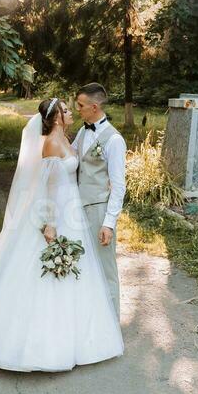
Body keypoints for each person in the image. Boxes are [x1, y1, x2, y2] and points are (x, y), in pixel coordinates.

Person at [0, 97, 124, 372]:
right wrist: (50, 222)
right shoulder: (50, 143)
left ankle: (82, 335)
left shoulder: (71, 138)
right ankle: (40, 342)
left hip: (73, 211)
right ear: (56, 117)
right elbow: (46, 187)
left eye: (74, 108)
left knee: (79, 273)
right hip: (59, 212)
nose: (72, 112)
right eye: (67, 110)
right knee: (44, 275)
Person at [71, 83, 127, 319]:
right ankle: (89, 319)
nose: (77, 110)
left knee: (105, 270)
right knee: (83, 265)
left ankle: (112, 322)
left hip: (98, 211)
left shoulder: (114, 140)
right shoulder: (83, 131)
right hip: (77, 209)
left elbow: (119, 186)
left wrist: (109, 223)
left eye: (81, 106)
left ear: (94, 107)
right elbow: (71, 155)